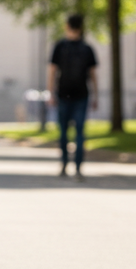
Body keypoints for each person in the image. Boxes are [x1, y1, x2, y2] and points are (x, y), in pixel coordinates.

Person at [48, 13, 99, 182]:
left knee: (65, 132)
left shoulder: (60, 46)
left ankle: (66, 164)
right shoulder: (86, 48)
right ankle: (76, 167)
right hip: (79, 94)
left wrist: (50, 93)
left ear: (67, 26)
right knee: (78, 132)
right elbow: (93, 75)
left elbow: (52, 72)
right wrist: (96, 95)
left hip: (66, 94)